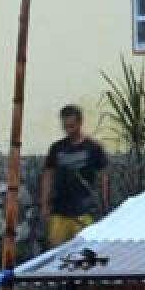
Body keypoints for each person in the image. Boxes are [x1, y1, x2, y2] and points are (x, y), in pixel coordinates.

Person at [40, 105, 110, 247]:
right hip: (59, 212)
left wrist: (105, 203)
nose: (69, 130)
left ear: (80, 123)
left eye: (72, 126)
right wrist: (44, 204)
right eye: (65, 126)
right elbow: (48, 176)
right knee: (56, 255)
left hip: (84, 212)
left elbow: (104, 176)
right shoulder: (56, 148)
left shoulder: (93, 148)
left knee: (84, 253)